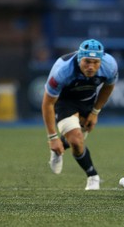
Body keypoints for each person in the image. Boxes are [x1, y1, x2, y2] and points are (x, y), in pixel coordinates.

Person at [41, 39, 118, 190]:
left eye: (95, 62)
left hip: (87, 99)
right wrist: (52, 138)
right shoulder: (62, 71)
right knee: (76, 140)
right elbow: (47, 104)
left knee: (77, 142)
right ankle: (93, 176)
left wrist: (95, 112)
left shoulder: (110, 65)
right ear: (79, 59)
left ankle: (60, 148)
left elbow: (108, 87)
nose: (91, 66)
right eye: (87, 62)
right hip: (64, 101)